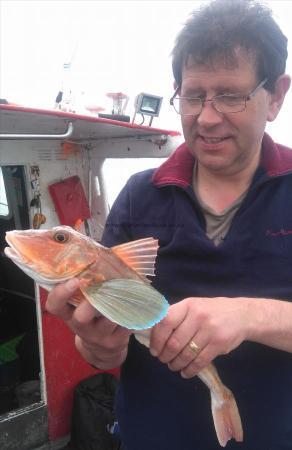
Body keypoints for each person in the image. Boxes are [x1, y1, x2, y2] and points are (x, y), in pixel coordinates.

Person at [46, 1, 292, 448]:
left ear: (275, 95)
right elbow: (106, 352)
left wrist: (251, 315)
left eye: (231, 95)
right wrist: (98, 344)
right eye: (194, 95)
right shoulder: (140, 195)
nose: (208, 116)